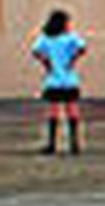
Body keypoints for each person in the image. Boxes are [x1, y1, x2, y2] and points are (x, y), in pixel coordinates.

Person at [30, 9, 87, 155]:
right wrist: (72, 61)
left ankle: (51, 144)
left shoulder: (46, 38)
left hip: (53, 79)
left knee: (53, 111)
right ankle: (74, 144)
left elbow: (35, 51)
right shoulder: (70, 37)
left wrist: (46, 63)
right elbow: (82, 48)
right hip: (69, 78)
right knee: (72, 110)